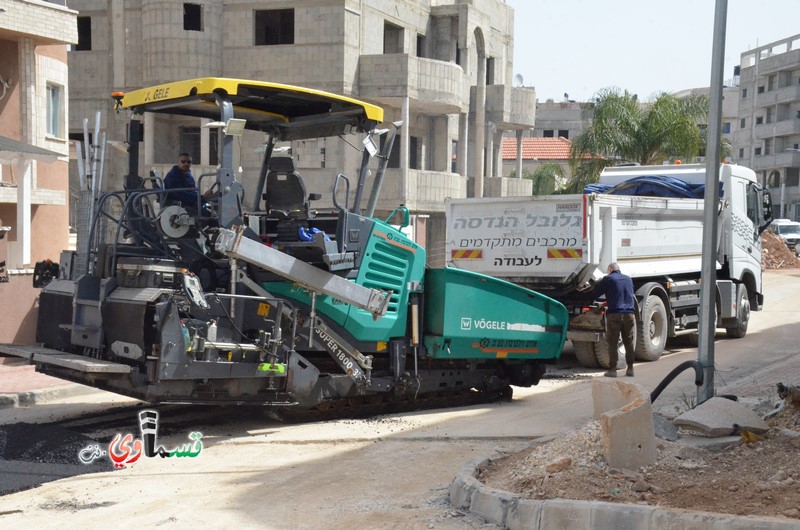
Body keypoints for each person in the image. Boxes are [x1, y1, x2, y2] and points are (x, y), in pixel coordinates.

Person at [593, 262, 636, 377]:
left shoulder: (608, 279)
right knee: (628, 341)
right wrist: (605, 303)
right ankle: (630, 369)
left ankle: (612, 370)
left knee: (613, 342)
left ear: (610, 269)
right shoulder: (628, 279)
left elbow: (595, 293)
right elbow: (623, 296)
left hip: (615, 315)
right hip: (629, 315)